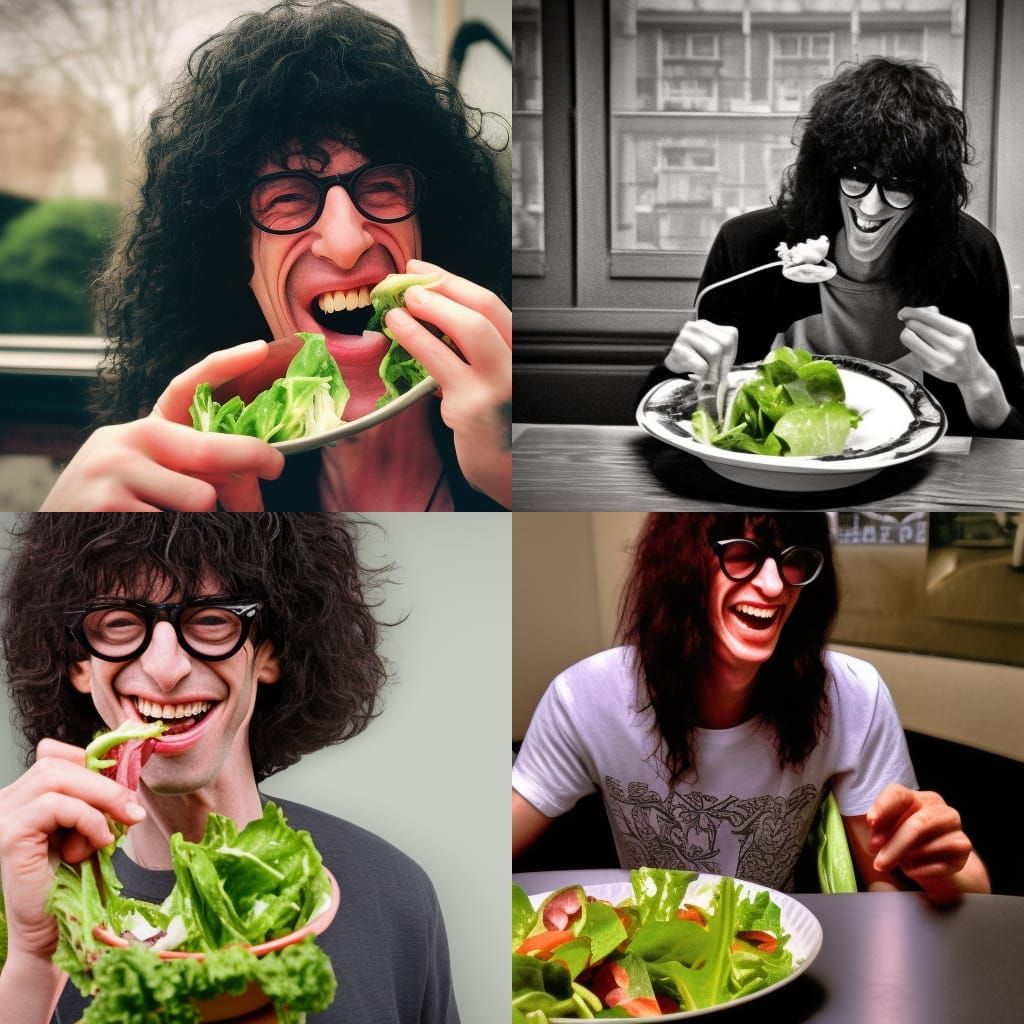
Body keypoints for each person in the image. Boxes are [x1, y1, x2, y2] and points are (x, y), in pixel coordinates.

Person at [40, 0, 511, 512]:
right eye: (287, 196)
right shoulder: (201, 487)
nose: (348, 240)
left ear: (430, 227)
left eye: (379, 186)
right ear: (234, 256)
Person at [0, 514, 460, 1023]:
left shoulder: (394, 893)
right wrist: (31, 964)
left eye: (212, 619)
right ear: (79, 664)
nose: (166, 668)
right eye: (120, 622)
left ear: (269, 651)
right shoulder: (23, 903)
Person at [512, 513, 990, 903]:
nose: (774, 586)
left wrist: (944, 868)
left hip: (779, 960)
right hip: (650, 973)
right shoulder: (587, 695)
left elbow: (891, 890)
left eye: (794, 562)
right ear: (681, 566)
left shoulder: (852, 693)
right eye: (742, 553)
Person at [644, 57, 1024, 438]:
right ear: (829, 171)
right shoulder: (749, 248)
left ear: (927, 193)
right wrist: (678, 373)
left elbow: (1015, 437)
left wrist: (977, 379)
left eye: (899, 183)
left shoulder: (969, 256)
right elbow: (680, 416)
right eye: (856, 176)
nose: (871, 206)